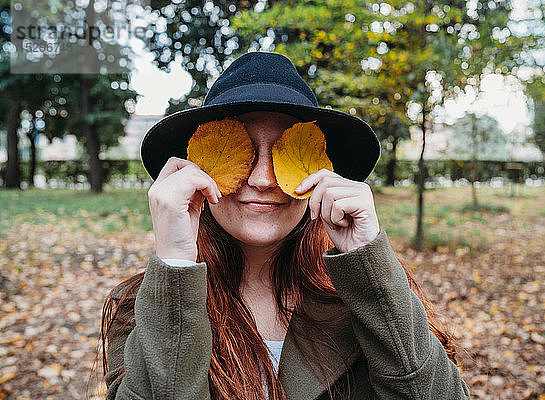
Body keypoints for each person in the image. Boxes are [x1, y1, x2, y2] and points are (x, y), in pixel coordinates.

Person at [100, 51, 470, 400]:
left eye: (286, 153)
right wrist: (176, 262)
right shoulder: (142, 307)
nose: (261, 179)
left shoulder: (370, 289)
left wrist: (368, 262)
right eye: (237, 151)